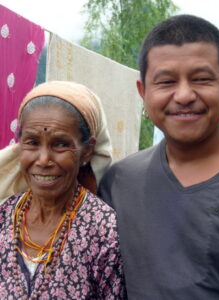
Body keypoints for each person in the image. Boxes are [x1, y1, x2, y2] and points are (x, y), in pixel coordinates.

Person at [98, 14, 219, 299]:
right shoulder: (118, 183)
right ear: (143, 92)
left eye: (202, 79)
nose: (183, 95)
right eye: (166, 82)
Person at [0, 81, 127, 299]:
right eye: (32, 142)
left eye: (60, 144)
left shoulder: (105, 232)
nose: (43, 160)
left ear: (87, 151)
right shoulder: (5, 215)